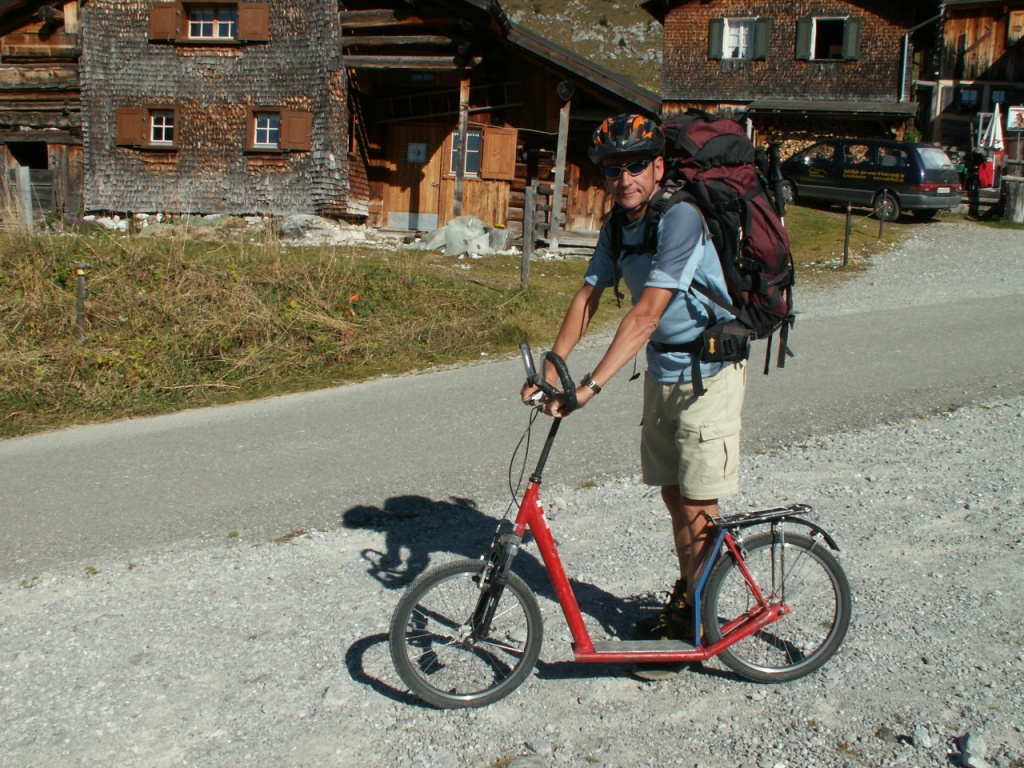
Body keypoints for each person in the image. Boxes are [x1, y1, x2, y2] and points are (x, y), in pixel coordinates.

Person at [520, 114, 747, 679]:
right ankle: (692, 601)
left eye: (637, 165)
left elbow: (646, 315)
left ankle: (699, 625)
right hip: (664, 372)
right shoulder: (618, 226)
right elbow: (588, 296)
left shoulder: (682, 218)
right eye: (613, 169)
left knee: (698, 503)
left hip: (709, 374)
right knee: (674, 495)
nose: (625, 178)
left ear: (659, 166)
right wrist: (552, 365)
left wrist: (589, 387)